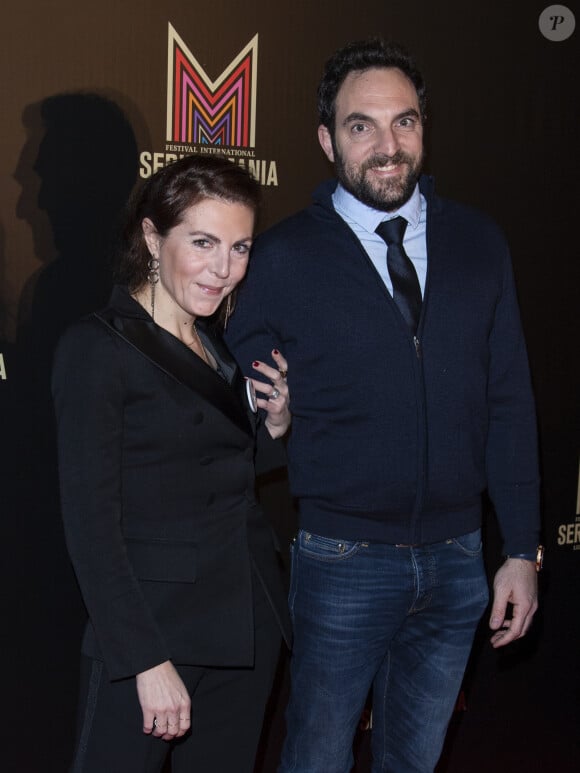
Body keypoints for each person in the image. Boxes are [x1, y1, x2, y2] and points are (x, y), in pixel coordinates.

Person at [225, 38, 542, 773]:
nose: (387, 146)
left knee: (415, 759)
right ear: (326, 138)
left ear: (425, 129)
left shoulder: (479, 243)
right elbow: (232, 394)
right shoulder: (280, 257)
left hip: (461, 557)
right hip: (342, 558)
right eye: (362, 126)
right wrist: (274, 411)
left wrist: (521, 547)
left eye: (405, 122)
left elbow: (510, 400)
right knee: (316, 757)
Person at [52, 154, 292, 773]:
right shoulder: (97, 348)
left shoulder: (212, 342)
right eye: (204, 243)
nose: (224, 269)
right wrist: (143, 661)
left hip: (244, 623)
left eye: (239, 247)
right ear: (152, 238)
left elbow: (216, 467)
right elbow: (90, 524)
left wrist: (274, 425)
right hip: (153, 633)